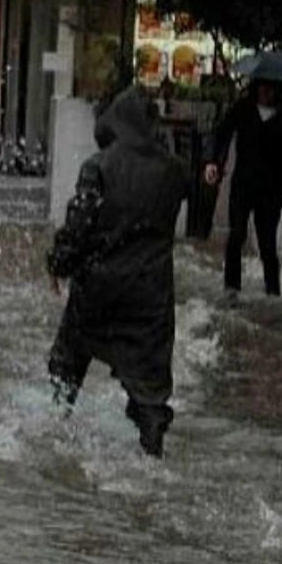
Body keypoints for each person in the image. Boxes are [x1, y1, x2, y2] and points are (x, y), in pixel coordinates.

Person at [47, 85, 189, 458]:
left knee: (67, 362)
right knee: (151, 388)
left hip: (99, 289)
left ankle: (54, 432)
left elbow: (78, 227)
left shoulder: (99, 166)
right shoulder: (174, 171)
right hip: (151, 297)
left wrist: (59, 264)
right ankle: (152, 454)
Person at [203, 78, 282, 302]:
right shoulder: (243, 108)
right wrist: (214, 162)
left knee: (267, 242)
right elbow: (222, 133)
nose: (266, 91)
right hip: (243, 184)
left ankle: (272, 292)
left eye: (270, 87)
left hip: (271, 189)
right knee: (236, 234)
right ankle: (232, 288)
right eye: (262, 86)